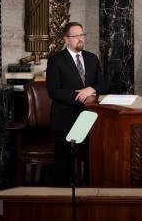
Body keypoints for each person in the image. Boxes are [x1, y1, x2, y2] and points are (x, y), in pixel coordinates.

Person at [46, 22, 105, 186]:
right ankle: (60, 196)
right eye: (76, 36)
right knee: (63, 160)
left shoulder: (92, 58)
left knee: (90, 155)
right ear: (66, 39)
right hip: (65, 117)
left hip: (88, 116)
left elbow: (101, 84)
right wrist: (80, 94)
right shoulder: (56, 61)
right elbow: (53, 90)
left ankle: (88, 189)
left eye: (82, 35)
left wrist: (91, 89)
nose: (81, 39)